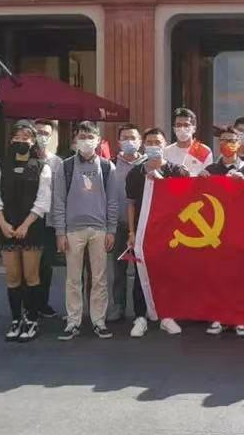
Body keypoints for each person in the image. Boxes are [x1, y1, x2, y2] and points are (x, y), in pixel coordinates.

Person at [0, 120, 53, 343]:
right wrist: (2, 222)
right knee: (13, 277)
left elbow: (43, 201)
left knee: (31, 276)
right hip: (6, 226)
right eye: (17, 137)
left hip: (31, 228)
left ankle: (32, 319)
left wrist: (26, 225)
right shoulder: (1, 166)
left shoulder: (42, 167)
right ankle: (16, 320)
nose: (21, 141)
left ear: (33, 141)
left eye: (26, 138)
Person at [52, 121, 119, 341]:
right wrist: (60, 232)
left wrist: (111, 230)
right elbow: (58, 201)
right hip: (73, 231)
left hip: (99, 230)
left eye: (90, 137)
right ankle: (73, 321)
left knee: (99, 278)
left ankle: (99, 320)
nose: (86, 141)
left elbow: (112, 202)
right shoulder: (65, 167)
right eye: (82, 136)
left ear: (98, 140)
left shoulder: (107, 167)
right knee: (73, 279)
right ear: (75, 140)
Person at [126, 128, 189, 338]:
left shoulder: (176, 171)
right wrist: (131, 232)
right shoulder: (135, 173)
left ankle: (167, 316)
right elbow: (131, 204)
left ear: (165, 144)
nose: (154, 146)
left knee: (167, 274)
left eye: (158, 142)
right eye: (150, 142)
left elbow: (185, 200)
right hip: (143, 232)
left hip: (169, 234)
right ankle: (140, 317)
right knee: (140, 274)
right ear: (144, 145)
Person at [203, 126, 244, 337]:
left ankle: (241, 317)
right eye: (224, 140)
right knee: (217, 275)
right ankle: (218, 316)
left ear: (239, 143)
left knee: (241, 275)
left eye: (233, 140)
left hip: (241, 229)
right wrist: (199, 181)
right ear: (219, 144)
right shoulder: (210, 170)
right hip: (216, 230)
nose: (228, 144)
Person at [109, 123, 144, 325]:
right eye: (125, 138)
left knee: (142, 271)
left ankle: (143, 309)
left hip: (142, 225)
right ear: (119, 142)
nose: (129, 141)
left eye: (133, 138)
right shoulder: (111, 165)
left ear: (140, 142)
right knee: (118, 270)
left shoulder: (147, 164)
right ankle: (119, 306)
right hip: (118, 225)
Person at [33, 119, 62, 319]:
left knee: (45, 265)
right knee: (28, 264)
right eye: (39, 132)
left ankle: (42, 303)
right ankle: (28, 305)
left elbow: (60, 195)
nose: (42, 137)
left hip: (48, 220)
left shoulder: (57, 163)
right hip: (27, 219)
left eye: (46, 133)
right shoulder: (24, 159)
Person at [163, 107, 212, 177]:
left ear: (194, 128)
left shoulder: (204, 151)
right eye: (178, 125)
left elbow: (208, 177)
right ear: (174, 129)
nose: (182, 128)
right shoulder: (166, 152)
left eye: (186, 125)